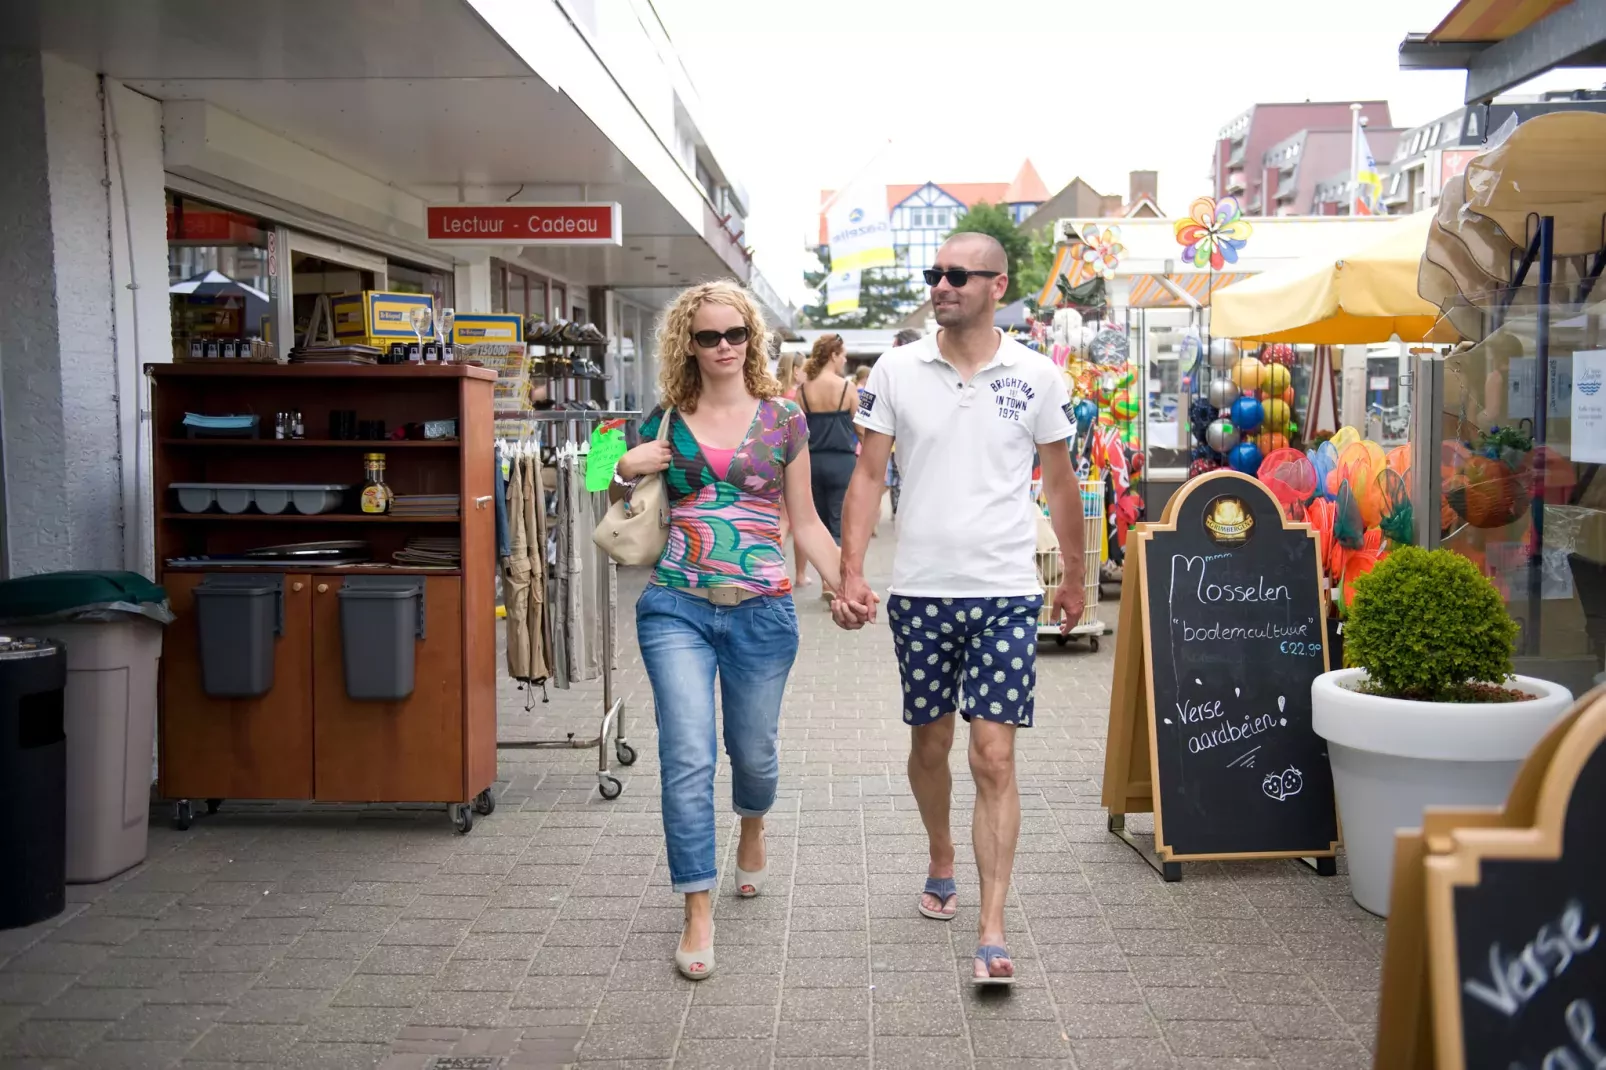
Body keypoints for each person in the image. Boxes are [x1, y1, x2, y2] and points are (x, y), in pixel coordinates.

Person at [830, 233, 1085, 987]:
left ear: (996, 285)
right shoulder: (897, 371)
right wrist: (851, 571)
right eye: (933, 274)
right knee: (931, 745)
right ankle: (941, 852)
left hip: (1007, 590)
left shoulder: (1037, 375)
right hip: (921, 592)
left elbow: (1061, 484)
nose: (940, 285)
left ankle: (992, 926)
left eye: (956, 275)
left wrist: (1072, 576)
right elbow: (868, 476)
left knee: (993, 755)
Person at [613, 281, 853, 982]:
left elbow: (806, 522)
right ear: (687, 344)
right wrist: (625, 467)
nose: (723, 348)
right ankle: (696, 909)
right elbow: (605, 477)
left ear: (752, 340)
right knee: (687, 757)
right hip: (675, 607)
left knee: (754, 755)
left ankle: (752, 821)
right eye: (709, 336)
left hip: (762, 612)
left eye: (735, 335)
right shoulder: (663, 417)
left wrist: (850, 585)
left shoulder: (783, 419)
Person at [797, 334, 859, 592]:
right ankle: (837, 583)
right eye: (843, 354)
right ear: (833, 355)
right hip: (842, 462)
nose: (845, 359)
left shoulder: (803, 390)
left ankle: (824, 581)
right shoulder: (846, 387)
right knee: (838, 522)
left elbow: (797, 430)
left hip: (812, 463)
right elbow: (861, 428)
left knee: (818, 522)